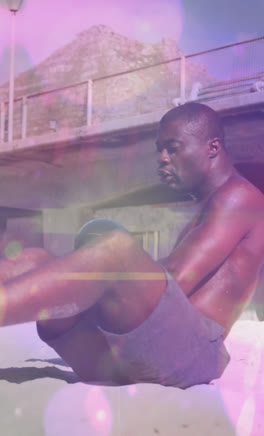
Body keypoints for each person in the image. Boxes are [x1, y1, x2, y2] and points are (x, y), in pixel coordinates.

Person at [0, 102, 263, 388]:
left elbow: (177, 278)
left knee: (112, 247)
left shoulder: (238, 197)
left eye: (173, 148)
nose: (162, 158)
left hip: (193, 357)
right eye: (160, 149)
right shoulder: (211, 206)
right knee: (40, 262)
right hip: (141, 353)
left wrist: (95, 282)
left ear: (212, 148)